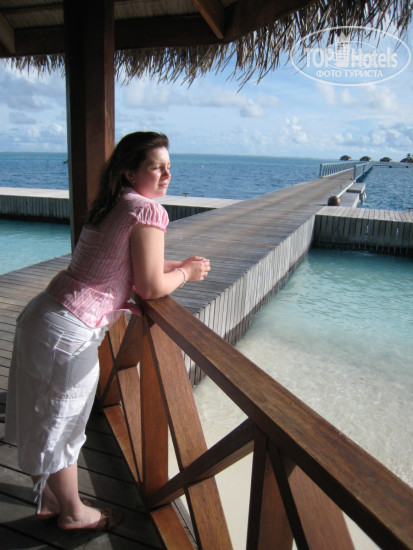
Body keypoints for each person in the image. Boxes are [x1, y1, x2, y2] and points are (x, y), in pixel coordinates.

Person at [5, 131, 210, 531]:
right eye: (156, 167)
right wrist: (188, 273)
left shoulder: (113, 203)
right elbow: (149, 287)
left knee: (43, 415)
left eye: (169, 167)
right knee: (64, 423)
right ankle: (73, 514)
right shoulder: (149, 211)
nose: (167, 175)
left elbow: (121, 262)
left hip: (43, 316)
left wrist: (173, 263)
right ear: (131, 172)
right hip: (70, 332)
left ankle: (51, 499)